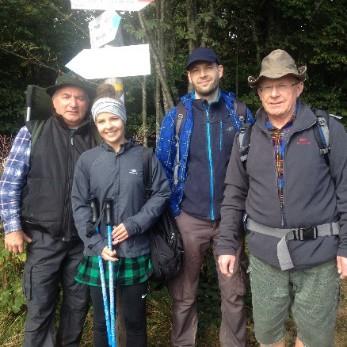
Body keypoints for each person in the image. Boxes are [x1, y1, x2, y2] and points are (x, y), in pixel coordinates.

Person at [217, 49, 347, 347]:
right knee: (268, 336)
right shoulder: (245, 139)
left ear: (298, 87)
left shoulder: (327, 131)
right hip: (265, 258)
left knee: (314, 339)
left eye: (283, 85)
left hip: (319, 256)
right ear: (259, 92)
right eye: (266, 87)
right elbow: (234, 195)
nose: (274, 94)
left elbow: (345, 189)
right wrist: (226, 244)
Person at [156, 47, 254, 347]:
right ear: (189, 76)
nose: (203, 74)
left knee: (234, 292)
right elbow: (162, 166)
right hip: (188, 218)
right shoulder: (178, 117)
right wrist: (167, 215)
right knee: (183, 294)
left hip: (230, 220)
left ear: (219, 71)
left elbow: (254, 165)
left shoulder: (239, 114)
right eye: (196, 70)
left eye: (208, 67)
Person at [0, 72, 98, 347]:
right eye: (66, 97)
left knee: (78, 306)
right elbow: (9, 183)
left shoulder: (97, 137)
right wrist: (13, 227)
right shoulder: (33, 132)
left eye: (80, 97)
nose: (73, 103)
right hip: (42, 237)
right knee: (40, 305)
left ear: (87, 103)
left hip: (83, 241)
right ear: (54, 102)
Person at [71, 84, 170, 347]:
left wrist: (135, 224)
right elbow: (79, 204)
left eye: (113, 118)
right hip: (100, 253)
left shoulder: (144, 157)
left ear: (123, 119)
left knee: (135, 322)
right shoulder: (87, 160)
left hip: (135, 251)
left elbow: (161, 193)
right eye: (101, 121)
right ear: (96, 124)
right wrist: (95, 243)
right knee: (102, 322)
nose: (108, 126)